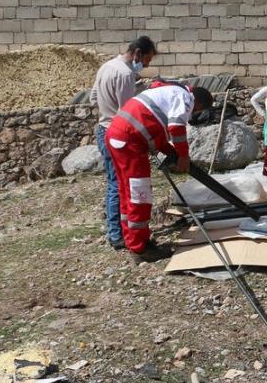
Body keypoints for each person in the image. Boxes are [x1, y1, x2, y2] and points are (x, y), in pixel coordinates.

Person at [106, 80, 212, 263]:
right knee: (140, 195)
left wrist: (172, 153)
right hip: (130, 140)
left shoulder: (169, 91)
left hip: (119, 135)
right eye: (198, 112)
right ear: (199, 104)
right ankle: (141, 249)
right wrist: (183, 155)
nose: (194, 114)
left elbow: (156, 129)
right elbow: (176, 127)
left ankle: (131, 239)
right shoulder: (186, 98)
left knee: (127, 192)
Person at [90, 36, 156, 250]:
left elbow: (93, 98)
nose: (146, 65)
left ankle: (118, 230)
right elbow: (128, 113)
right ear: (137, 53)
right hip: (116, 133)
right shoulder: (126, 74)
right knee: (119, 185)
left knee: (114, 183)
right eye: (146, 59)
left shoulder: (106, 66)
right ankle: (117, 234)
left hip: (103, 128)